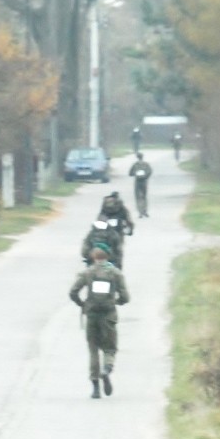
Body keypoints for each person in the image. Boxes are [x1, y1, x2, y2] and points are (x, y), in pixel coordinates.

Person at [69, 246, 130, 399]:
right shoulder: (115, 273)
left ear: (94, 257)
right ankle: (107, 369)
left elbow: (73, 292)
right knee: (110, 348)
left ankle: (95, 387)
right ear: (107, 256)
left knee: (93, 350)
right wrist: (117, 301)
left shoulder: (88, 272)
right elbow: (125, 297)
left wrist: (82, 304)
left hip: (92, 315)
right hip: (108, 315)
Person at [128, 152, 152, 217]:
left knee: (138, 197)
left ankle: (140, 212)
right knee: (144, 196)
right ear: (142, 157)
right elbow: (150, 171)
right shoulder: (146, 164)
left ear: (137, 157)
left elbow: (130, 173)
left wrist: (135, 174)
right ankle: (145, 210)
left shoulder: (135, 165)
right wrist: (146, 176)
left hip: (137, 182)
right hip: (144, 181)